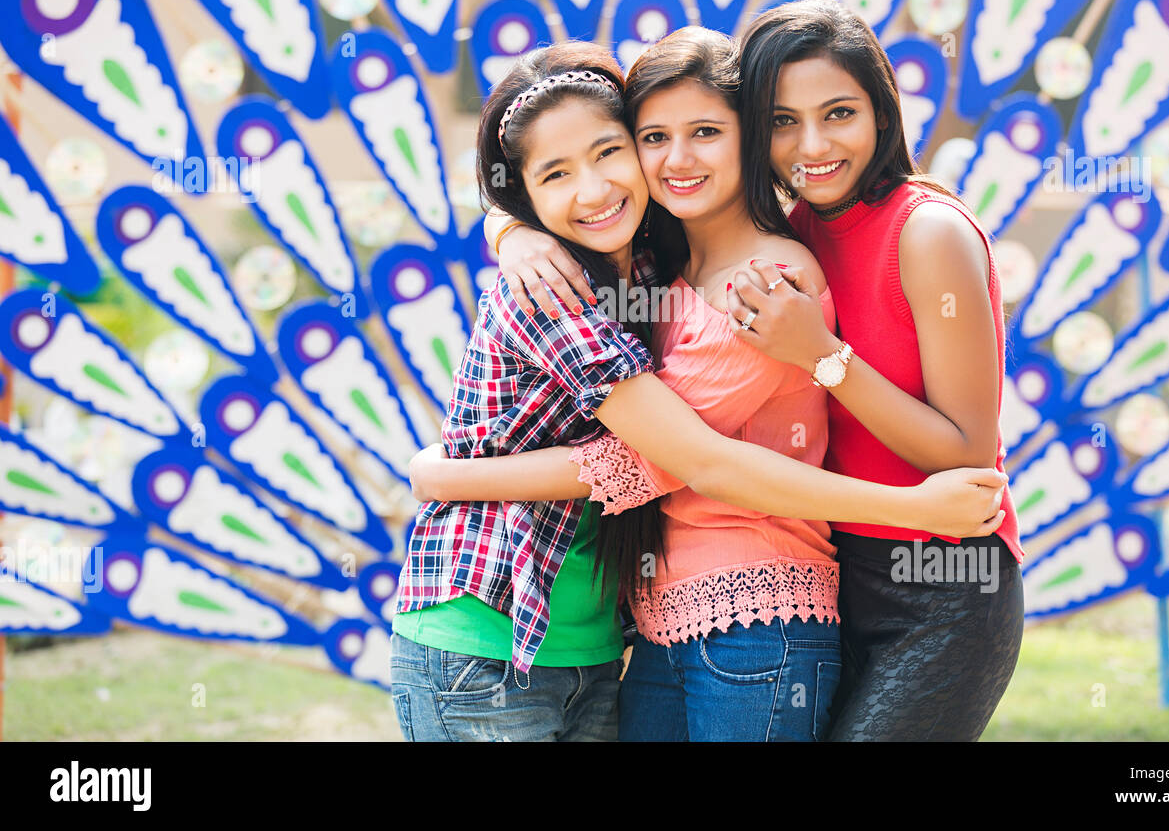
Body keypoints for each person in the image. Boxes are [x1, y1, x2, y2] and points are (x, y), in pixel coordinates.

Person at [394, 39, 1006, 743]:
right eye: (654, 137)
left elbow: (670, 459)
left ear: (746, 138)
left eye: (706, 133)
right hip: (553, 633)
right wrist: (509, 230)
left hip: (746, 617)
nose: (675, 160)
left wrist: (443, 476)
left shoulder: (761, 282)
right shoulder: (646, 264)